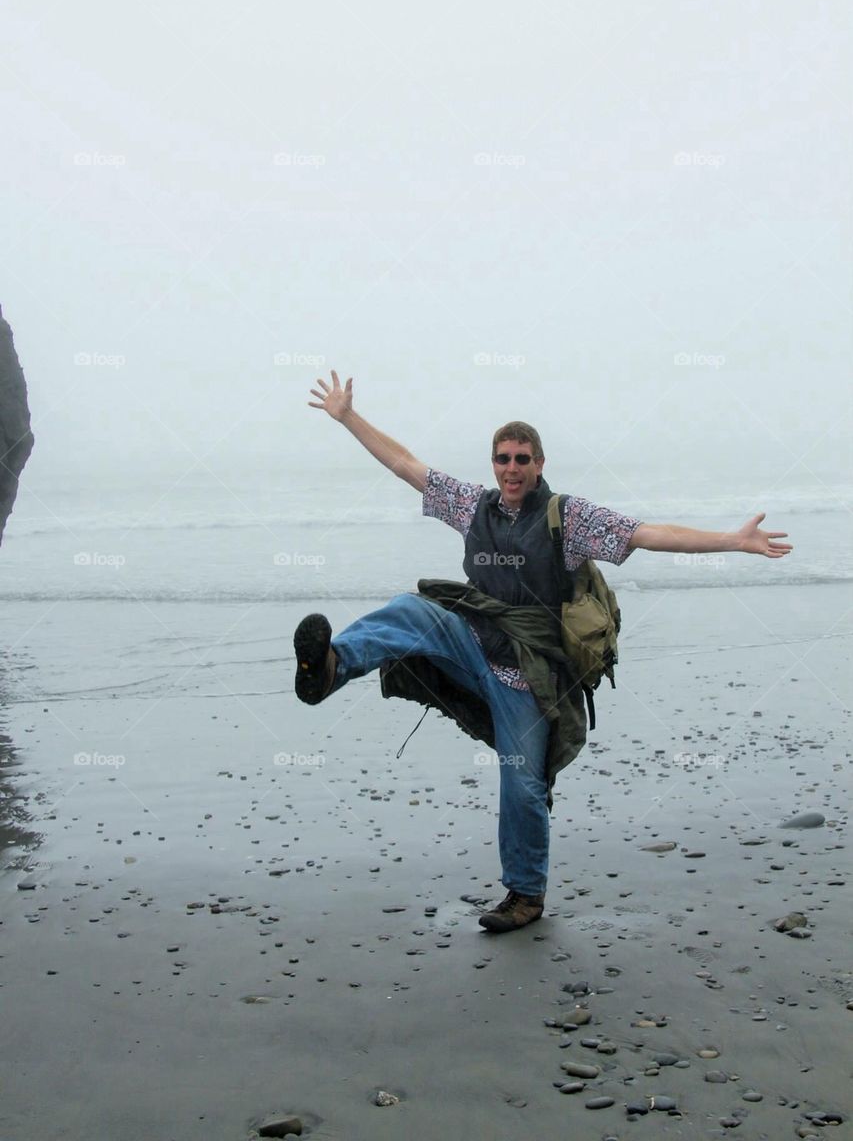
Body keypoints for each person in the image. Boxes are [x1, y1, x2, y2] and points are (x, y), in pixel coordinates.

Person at [294, 370, 792, 934]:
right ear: (493, 464)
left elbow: (647, 533)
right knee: (410, 609)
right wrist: (347, 418)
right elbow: (406, 463)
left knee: (523, 782)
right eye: (503, 458)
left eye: (522, 459)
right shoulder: (469, 506)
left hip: (527, 676)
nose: (512, 468)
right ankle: (330, 669)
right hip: (473, 643)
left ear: (540, 464)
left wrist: (733, 540)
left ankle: (525, 895)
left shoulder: (568, 519)